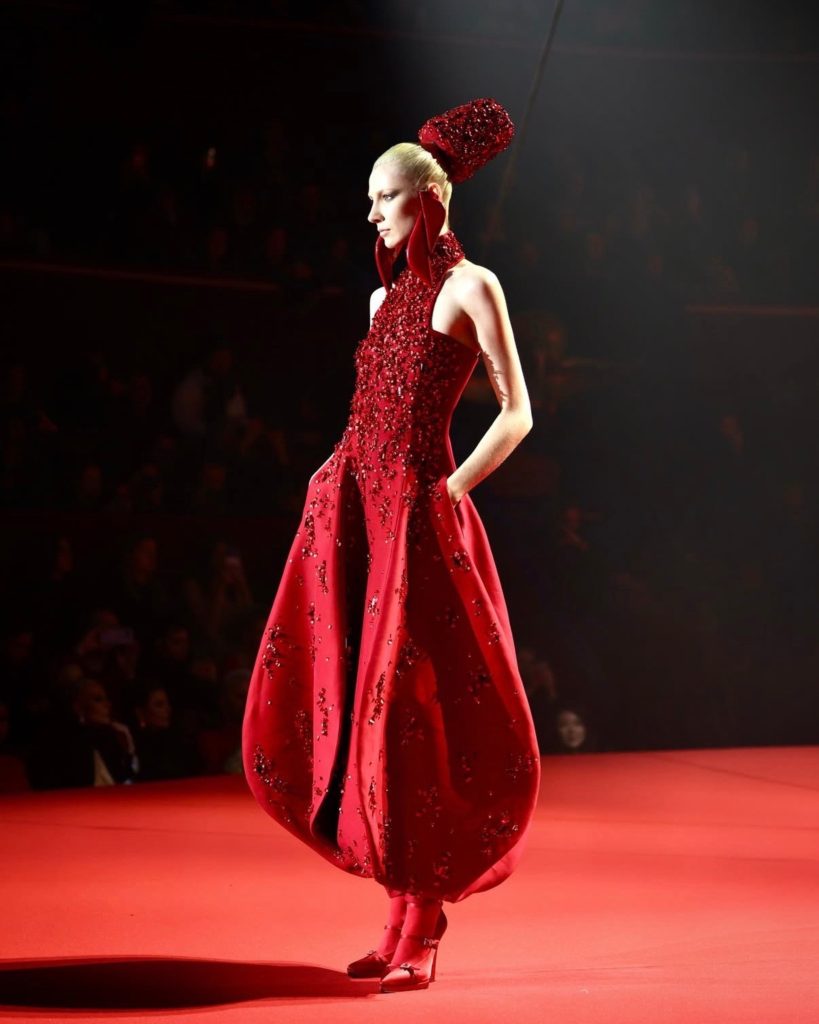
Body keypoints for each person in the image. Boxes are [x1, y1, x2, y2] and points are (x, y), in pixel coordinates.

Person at [242, 98, 541, 993]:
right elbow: (367, 412)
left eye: (384, 197)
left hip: (418, 519)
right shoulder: (380, 298)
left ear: (429, 200)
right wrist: (331, 475)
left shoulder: (472, 286)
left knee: (409, 711)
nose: (369, 212)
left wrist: (450, 490)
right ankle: (397, 913)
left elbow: (517, 413)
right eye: (370, 198)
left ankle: (423, 918)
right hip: (355, 513)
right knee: (363, 706)